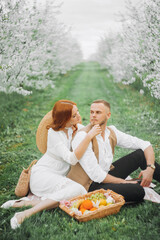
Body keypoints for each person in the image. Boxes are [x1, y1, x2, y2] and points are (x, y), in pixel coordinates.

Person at [1, 100, 101, 229]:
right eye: (74, 115)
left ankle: (22, 204)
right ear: (64, 119)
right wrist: (88, 137)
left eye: (78, 112)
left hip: (58, 178)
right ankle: (25, 213)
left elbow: (88, 128)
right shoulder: (54, 134)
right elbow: (71, 159)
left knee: (77, 192)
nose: (79, 116)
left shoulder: (74, 127)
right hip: (42, 176)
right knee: (78, 190)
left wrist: (97, 121)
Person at [70, 99, 160, 203]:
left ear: (108, 115)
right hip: (90, 185)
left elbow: (145, 145)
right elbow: (96, 175)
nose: (93, 115)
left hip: (106, 173)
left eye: (98, 112)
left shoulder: (111, 132)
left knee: (140, 154)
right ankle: (132, 186)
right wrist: (125, 183)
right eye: (92, 112)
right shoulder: (83, 136)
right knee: (138, 191)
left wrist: (150, 168)